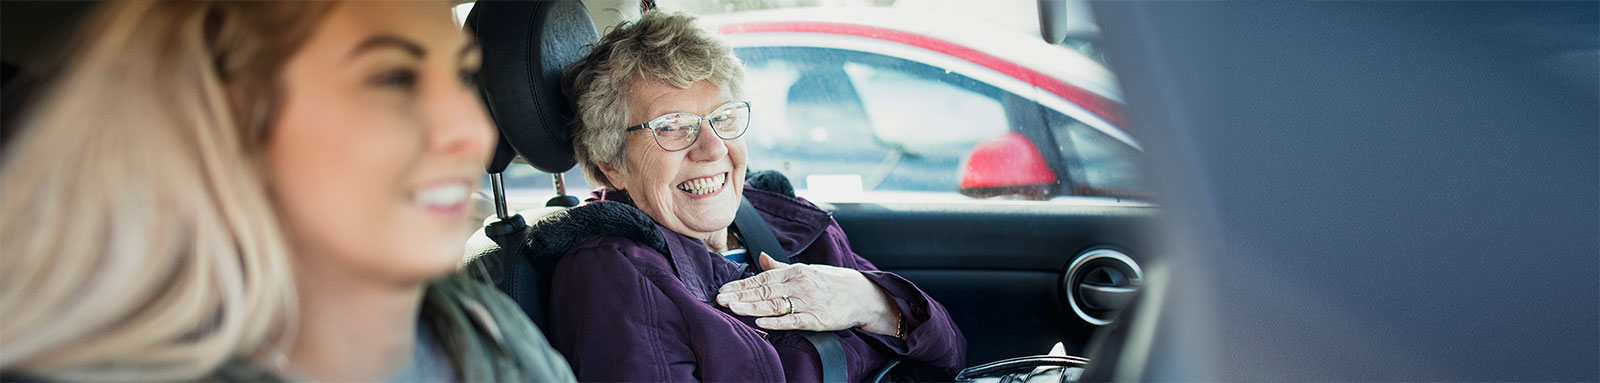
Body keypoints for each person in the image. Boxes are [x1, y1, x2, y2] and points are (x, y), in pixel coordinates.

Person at [0, 1, 573, 381]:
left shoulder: (491, 330)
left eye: (459, 80)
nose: (471, 132)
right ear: (232, 118)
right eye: (393, 79)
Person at [552, 11, 965, 381]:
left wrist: (870, 301)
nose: (713, 149)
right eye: (673, 125)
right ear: (612, 162)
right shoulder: (613, 273)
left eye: (722, 117)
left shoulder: (785, 221)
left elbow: (951, 356)